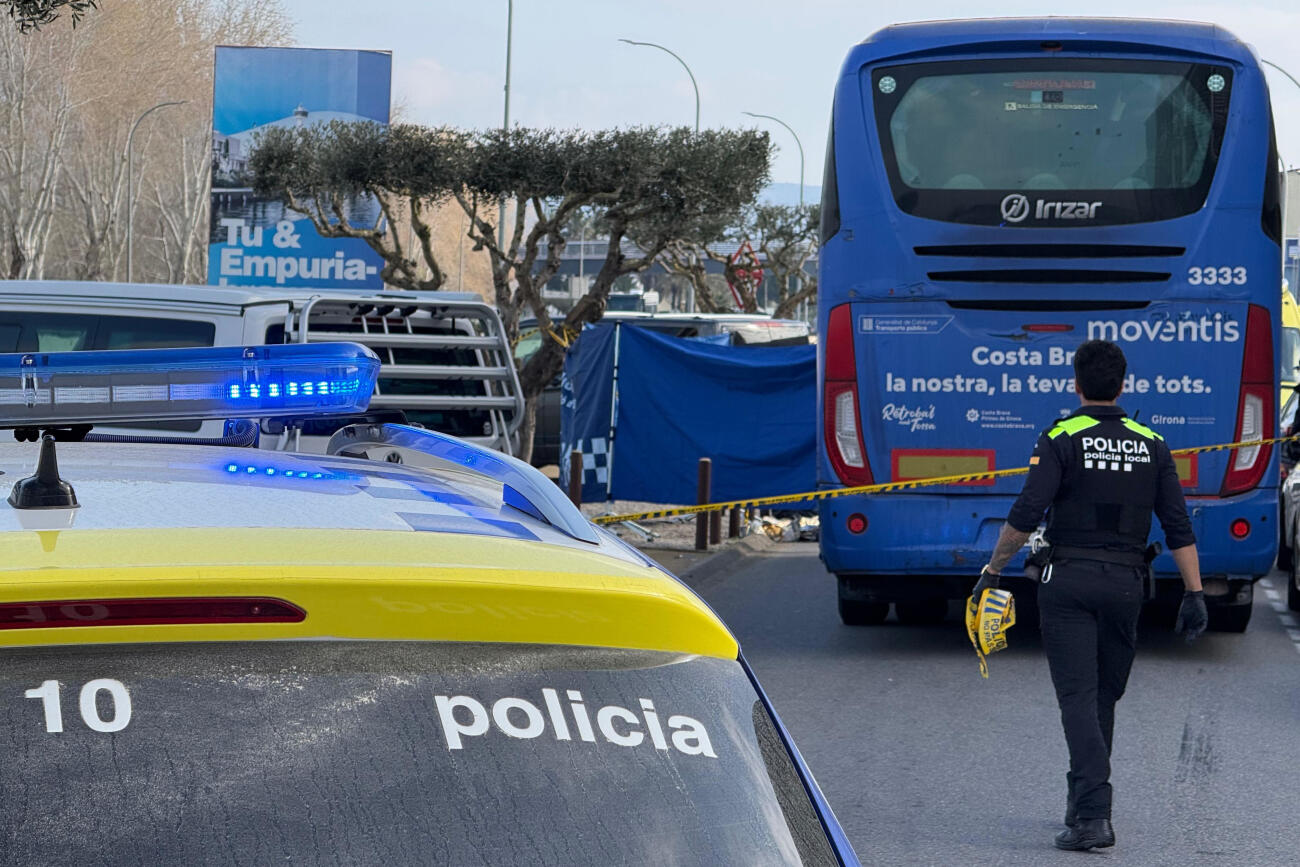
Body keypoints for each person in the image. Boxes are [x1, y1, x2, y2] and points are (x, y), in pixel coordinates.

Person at [972, 339, 1207, 852]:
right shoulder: (1152, 442)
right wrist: (1194, 592)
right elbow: (1177, 526)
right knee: (1103, 694)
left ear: (1076, 384)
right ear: (1124, 385)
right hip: (1126, 585)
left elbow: (1027, 512)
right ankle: (1083, 801)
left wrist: (993, 571)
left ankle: (1094, 813)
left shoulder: (1060, 435)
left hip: (1068, 583)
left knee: (1079, 696)